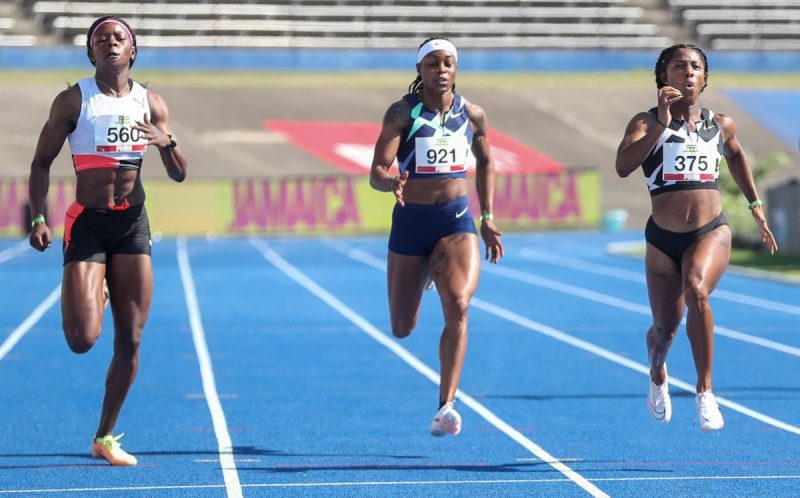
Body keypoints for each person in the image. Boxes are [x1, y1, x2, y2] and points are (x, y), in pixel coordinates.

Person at [28, 16, 187, 464]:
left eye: (119, 37)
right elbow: (40, 163)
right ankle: (94, 284)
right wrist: (38, 215)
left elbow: (178, 173)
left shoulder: (151, 102)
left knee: (131, 339)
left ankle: (105, 436)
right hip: (89, 223)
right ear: (91, 53)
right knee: (81, 339)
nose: (111, 42)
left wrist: (166, 141)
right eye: (101, 38)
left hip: (133, 223)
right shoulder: (74, 100)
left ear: (132, 51)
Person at [615, 44, 777, 432]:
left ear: (704, 79)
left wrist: (754, 204)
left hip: (710, 230)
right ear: (664, 76)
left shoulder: (720, 124)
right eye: (679, 66)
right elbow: (623, 166)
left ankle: (705, 393)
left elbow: (736, 155)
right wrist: (660, 122)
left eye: (695, 67)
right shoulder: (645, 121)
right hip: (661, 240)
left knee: (697, 290)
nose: (688, 72)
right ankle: (657, 372)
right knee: (664, 330)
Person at [369, 37, 504, 437]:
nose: (440, 70)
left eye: (447, 63)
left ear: (456, 70)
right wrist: (390, 180)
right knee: (402, 327)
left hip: (455, 222)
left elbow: (488, 161)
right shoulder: (403, 113)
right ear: (420, 71)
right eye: (431, 64)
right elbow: (376, 169)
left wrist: (488, 216)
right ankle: (425, 269)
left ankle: (446, 404)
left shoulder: (473, 115)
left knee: (459, 305)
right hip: (411, 224)